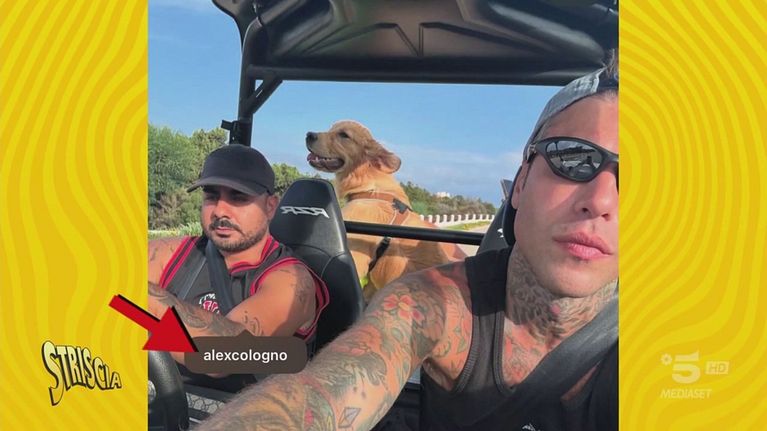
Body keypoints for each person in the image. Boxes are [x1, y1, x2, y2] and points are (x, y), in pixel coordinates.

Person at [200, 55, 619, 430]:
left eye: (643, 174)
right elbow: (317, 394)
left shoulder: (663, 349)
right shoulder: (428, 303)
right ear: (521, 182)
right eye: (572, 158)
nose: (601, 200)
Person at [147, 144, 329, 391]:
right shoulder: (174, 252)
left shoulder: (292, 280)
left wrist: (132, 300)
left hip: (240, 409)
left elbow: (220, 356)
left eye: (238, 197)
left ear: (270, 207)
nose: (220, 211)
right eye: (211, 196)